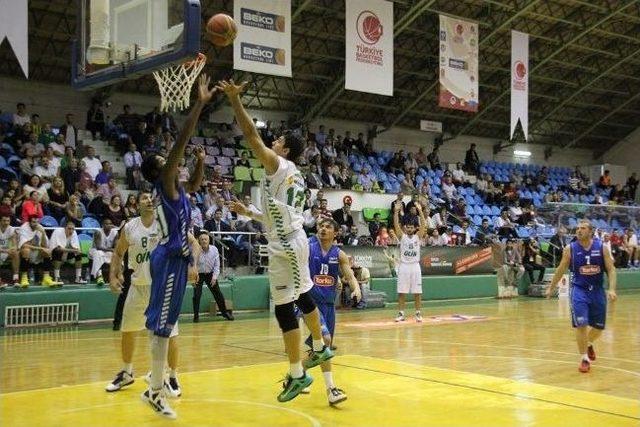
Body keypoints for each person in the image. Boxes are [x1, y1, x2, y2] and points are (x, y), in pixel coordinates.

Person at [220, 78, 333, 403]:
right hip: (289, 240)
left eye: (278, 140)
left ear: (283, 150)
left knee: (285, 308)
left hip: (285, 245)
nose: (274, 142)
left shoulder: (278, 165)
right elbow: (278, 212)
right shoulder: (293, 172)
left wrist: (234, 101)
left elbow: (251, 136)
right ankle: (321, 348)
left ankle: (298, 374)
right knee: (303, 296)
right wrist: (250, 213)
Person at [136, 75, 212, 419]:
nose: (174, 160)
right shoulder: (164, 182)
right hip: (168, 258)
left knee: (162, 324)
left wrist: (200, 160)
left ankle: (153, 385)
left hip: (177, 260)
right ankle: (155, 390)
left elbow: (196, 182)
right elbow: (180, 141)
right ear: (160, 168)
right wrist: (199, 103)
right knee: (163, 325)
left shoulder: (177, 188)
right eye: (168, 160)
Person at [106, 192, 182, 398]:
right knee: (128, 330)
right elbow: (118, 253)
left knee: (171, 334)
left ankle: (172, 377)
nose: (149, 200)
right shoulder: (130, 227)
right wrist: (113, 276)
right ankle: (127, 372)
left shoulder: (165, 223)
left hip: (162, 287)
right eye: (145, 198)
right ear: (136, 203)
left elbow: (191, 242)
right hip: (137, 286)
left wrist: (191, 266)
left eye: (152, 198)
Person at [301, 218, 361, 405]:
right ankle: (331, 389)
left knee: (322, 349)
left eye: (328, 227)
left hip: (328, 305)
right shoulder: (309, 246)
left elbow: (349, 275)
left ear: (336, 233)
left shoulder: (339, 254)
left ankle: (298, 374)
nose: (323, 229)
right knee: (325, 340)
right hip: (310, 302)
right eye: (321, 226)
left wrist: (356, 287)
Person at [546, 219, 617, 373]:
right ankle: (584, 358)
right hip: (579, 290)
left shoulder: (602, 248)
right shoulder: (569, 249)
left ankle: (589, 343)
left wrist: (611, 289)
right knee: (581, 324)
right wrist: (551, 287)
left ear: (590, 231)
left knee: (599, 327)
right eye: (577, 228)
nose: (579, 230)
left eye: (583, 228)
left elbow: (611, 270)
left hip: (597, 291)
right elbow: (560, 269)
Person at [392, 201, 427, 322]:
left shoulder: (418, 236)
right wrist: (396, 211)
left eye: (412, 227)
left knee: (417, 292)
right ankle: (401, 313)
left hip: (415, 266)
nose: (410, 229)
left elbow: (423, 224)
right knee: (402, 291)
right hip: (404, 266)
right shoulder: (402, 237)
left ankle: (418, 313)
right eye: (408, 227)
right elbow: (396, 224)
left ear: (414, 228)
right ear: (405, 228)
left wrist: (420, 211)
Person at [193, 232, 233, 322]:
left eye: (205, 239)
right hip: (199, 274)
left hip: (210, 274)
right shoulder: (196, 250)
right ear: (199, 241)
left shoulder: (214, 249)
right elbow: (193, 264)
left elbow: (217, 265)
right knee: (196, 295)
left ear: (209, 240)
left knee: (218, 293)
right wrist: (194, 276)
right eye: (202, 239)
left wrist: (214, 277)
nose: (204, 241)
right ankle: (196, 316)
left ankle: (225, 313)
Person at [17, 215, 58, 287]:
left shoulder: (40, 228)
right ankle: (24, 278)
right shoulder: (24, 228)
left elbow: (45, 245)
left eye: (37, 222)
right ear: (29, 222)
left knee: (47, 251)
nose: (35, 224)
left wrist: (43, 232)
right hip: (25, 252)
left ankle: (46, 278)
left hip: (36, 252)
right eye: (33, 222)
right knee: (26, 250)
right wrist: (40, 248)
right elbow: (24, 245)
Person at [89, 218, 118, 285]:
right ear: (102, 225)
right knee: (98, 254)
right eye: (106, 224)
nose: (109, 225)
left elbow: (115, 247)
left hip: (107, 251)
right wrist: (111, 250)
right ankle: (99, 276)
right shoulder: (98, 232)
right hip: (94, 250)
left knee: (117, 255)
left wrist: (114, 250)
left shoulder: (115, 233)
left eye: (110, 224)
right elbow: (98, 247)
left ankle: (115, 276)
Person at [0, 214, 20, 288]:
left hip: (6, 252)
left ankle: (16, 279)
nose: (6, 223)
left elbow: (15, 245)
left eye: (8, 221)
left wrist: (12, 249)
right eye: (4, 221)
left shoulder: (11, 229)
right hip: (3, 251)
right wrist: (5, 251)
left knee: (16, 253)